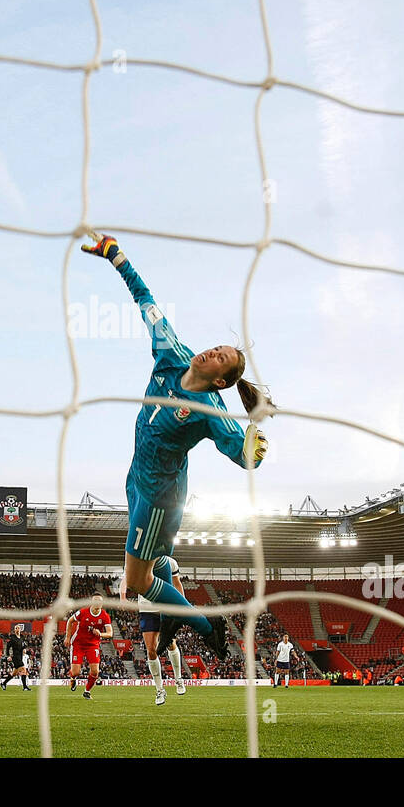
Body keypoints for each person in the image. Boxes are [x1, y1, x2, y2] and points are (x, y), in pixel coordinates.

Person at [80, 232, 271, 659]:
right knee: (157, 562)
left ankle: (206, 624)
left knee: (136, 581)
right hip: (138, 477)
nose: (210, 353)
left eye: (220, 358)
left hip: (159, 497)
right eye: (216, 347)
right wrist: (116, 256)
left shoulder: (209, 409)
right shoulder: (173, 353)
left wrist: (257, 439)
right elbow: (146, 302)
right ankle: (171, 613)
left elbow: (244, 456)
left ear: (222, 380)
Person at [119, 556, 187, 705]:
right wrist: (122, 597)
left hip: (166, 606)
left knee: (169, 643)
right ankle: (159, 690)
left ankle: (178, 679)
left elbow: (177, 583)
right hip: (147, 608)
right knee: (151, 649)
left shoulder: (170, 562)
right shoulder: (138, 559)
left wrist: (183, 604)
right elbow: (126, 578)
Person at [64, 594, 113, 700]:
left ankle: (87, 691)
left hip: (93, 645)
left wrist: (100, 634)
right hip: (78, 644)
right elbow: (70, 621)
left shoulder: (104, 616)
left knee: (95, 671)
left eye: (99, 601)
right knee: (76, 672)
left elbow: (110, 633)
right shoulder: (83, 612)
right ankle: (72, 678)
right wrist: (67, 637)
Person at [0, 623, 32, 691]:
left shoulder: (22, 637)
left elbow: (23, 645)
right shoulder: (13, 638)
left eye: (18, 628)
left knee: (14, 673)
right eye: (16, 628)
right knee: (23, 669)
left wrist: (24, 649)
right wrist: (8, 655)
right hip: (15, 656)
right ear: (14, 630)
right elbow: (8, 647)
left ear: (20, 629)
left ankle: (4, 683)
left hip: (20, 656)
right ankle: (25, 687)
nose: (17, 629)